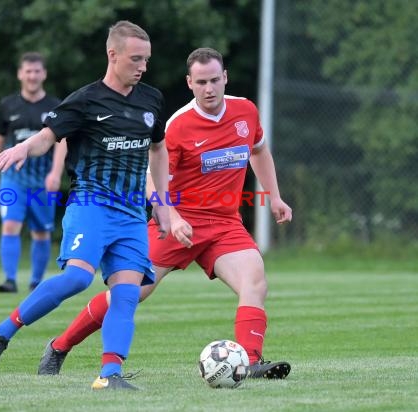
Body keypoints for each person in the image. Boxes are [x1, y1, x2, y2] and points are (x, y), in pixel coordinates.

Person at [37, 47, 293, 380]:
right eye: (201, 82)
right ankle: (59, 346)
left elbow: (258, 150)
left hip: (225, 224)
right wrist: (171, 217)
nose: (210, 88)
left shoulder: (245, 111)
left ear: (225, 77)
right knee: (129, 293)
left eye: (215, 80)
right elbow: (150, 178)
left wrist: (274, 197)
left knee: (254, 282)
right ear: (190, 83)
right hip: (176, 222)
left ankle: (251, 361)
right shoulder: (179, 126)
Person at [0, 20, 171, 391]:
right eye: (135, 59)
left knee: (128, 292)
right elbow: (48, 136)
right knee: (78, 278)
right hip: (91, 204)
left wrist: (161, 203)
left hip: (132, 213)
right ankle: (1, 333)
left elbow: (158, 149)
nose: (143, 66)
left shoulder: (151, 100)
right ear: (112, 55)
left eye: (146, 59)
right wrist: (20, 148)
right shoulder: (86, 100)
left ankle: (109, 374)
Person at [0, 52, 66, 293]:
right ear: (20, 74)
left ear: (44, 74)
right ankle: (9, 279)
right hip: (13, 178)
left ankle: (35, 282)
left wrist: (55, 172)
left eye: (37, 71)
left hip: (43, 180)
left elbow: (62, 141)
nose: (32, 76)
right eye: (28, 71)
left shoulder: (55, 106)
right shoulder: (8, 105)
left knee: (41, 231)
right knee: (10, 225)